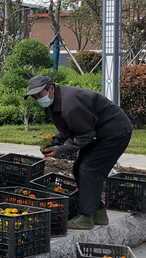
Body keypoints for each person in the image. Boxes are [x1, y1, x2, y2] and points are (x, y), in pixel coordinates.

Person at [26, 74, 133, 230]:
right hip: (101, 132)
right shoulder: (54, 102)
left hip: (115, 133)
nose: (37, 98)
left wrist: (61, 150)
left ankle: (86, 217)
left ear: (51, 89)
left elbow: (85, 135)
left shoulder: (71, 104)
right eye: (34, 96)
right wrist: (55, 141)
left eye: (39, 94)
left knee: (89, 169)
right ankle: (99, 212)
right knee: (79, 168)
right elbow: (70, 127)